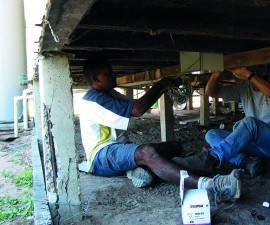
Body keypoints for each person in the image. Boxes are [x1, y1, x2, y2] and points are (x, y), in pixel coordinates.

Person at [79, 57, 242, 203]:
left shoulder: (108, 93)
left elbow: (137, 104)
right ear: (95, 79)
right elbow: (137, 110)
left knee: (174, 146)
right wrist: (160, 84)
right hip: (101, 156)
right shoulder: (95, 100)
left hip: (117, 150)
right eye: (108, 74)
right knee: (147, 152)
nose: (113, 76)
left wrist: (162, 88)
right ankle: (208, 184)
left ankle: (141, 169)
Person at [204, 67, 270, 177]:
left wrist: (248, 73)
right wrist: (217, 71)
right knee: (212, 135)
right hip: (256, 147)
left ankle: (212, 158)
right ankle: (246, 162)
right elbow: (210, 92)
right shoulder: (243, 88)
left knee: (250, 123)